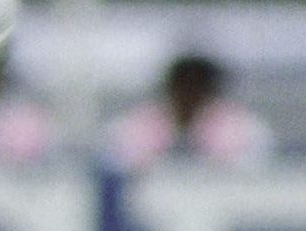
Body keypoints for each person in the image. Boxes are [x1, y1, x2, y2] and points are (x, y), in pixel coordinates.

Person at [105, 53, 276, 170]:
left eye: (197, 88)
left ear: (211, 91)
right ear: (171, 89)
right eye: (184, 87)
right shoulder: (137, 125)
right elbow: (118, 162)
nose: (190, 95)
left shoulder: (243, 128)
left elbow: (254, 172)